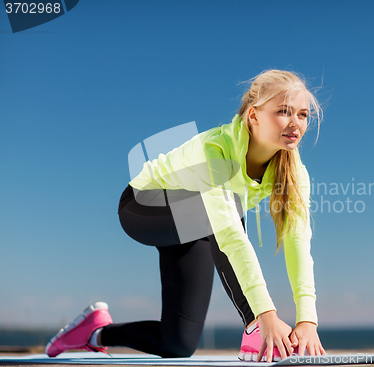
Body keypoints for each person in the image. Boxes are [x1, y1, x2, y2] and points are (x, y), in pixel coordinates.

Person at [45, 70, 326, 362]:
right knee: (225, 211)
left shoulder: (294, 172)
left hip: (197, 224)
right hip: (142, 206)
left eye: (303, 114)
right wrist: (264, 314)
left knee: (178, 343)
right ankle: (254, 327)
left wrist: (307, 320)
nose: (296, 123)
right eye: (283, 111)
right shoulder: (215, 150)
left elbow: (298, 243)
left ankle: (95, 332)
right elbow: (230, 234)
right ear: (253, 116)